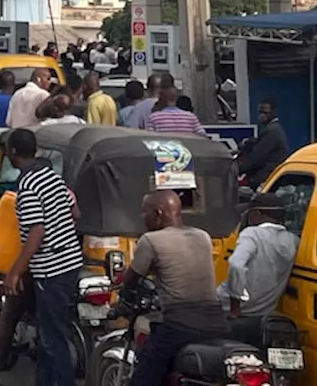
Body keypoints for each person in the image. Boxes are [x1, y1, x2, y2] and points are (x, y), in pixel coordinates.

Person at [117, 190, 229, 386]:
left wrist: (122, 296)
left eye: (145, 213)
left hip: (179, 325)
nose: (144, 218)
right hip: (216, 322)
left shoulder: (151, 240)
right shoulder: (202, 236)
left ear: (159, 214)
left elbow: (132, 279)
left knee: (144, 375)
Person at [3, 127, 82, 386]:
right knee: (49, 334)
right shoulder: (51, 177)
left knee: (53, 338)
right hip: (70, 263)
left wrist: (15, 271)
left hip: (52, 270)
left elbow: (36, 231)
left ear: (13, 153)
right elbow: (75, 213)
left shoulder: (27, 187)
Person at [218, 191, 299, 324]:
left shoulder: (252, 234)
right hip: (264, 311)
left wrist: (235, 307)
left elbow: (236, 265)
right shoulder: (293, 240)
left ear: (257, 214)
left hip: (226, 306)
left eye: (249, 213)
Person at [238, 98, 290, 190]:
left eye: (265, 113)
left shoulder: (271, 131)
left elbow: (257, 157)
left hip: (266, 179)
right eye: (260, 112)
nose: (261, 115)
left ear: (274, 112)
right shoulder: (273, 129)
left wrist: (238, 169)